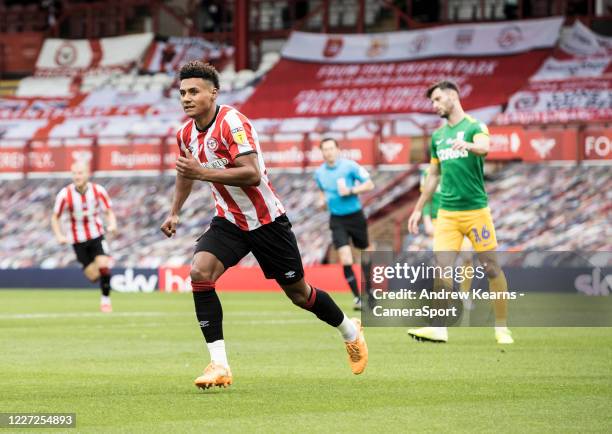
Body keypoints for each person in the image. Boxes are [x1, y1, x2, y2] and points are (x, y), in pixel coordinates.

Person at [160, 60, 368, 390]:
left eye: (194, 91)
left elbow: (251, 173)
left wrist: (203, 173)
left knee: (300, 295)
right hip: (229, 221)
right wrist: (175, 212)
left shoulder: (233, 123)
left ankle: (349, 331)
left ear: (213, 93)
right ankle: (219, 365)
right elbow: (186, 172)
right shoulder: (185, 134)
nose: (186, 98)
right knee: (200, 272)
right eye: (182, 92)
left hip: (267, 222)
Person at [407, 80, 513, 345]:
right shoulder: (438, 137)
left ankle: (501, 327)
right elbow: (433, 175)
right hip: (448, 215)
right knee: (442, 268)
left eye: (438, 99)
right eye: (432, 101)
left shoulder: (475, 127)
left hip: (477, 211)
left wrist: (466, 145)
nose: (435, 105)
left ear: (453, 97)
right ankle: (439, 328)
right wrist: (418, 210)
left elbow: (485, 147)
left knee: (490, 268)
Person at [314, 138, 375, 310]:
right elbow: (321, 194)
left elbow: (370, 184)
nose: (328, 152)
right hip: (337, 219)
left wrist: (351, 190)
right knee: (345, 258)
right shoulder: (319, 173)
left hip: (355, 216)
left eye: (331, 148)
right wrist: (320, 203)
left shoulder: (350, 166)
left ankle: (369, 292)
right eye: (325, 149)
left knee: (366, 254)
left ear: (338, 149)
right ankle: (358, 298)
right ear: (322, 152)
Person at [51, 161, 117, 312]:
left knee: (104, 266)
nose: (77, 176)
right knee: (94, 277)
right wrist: (59, 235)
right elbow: (55, 217)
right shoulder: (65, 194)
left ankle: (105, 301)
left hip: (96, 236)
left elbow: (108, 211)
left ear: (87, 174)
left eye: (80, 173)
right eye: (74, 173)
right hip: (77, 240)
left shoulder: (98, 190)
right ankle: (101, 271)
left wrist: (112, 224)